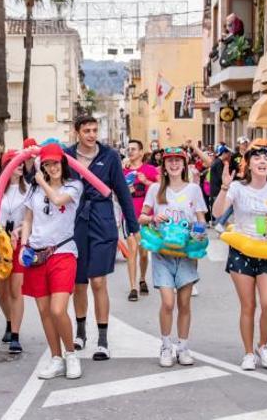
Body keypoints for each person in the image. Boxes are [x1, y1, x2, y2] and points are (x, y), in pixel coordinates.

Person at [64, 115, 140, 361]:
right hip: (74, 222)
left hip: (102, 220)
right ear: (77, 132)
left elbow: (121, 191)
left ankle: (103, 339)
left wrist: (132, 223)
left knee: (98, 281)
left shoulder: (109, 156)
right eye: (86, 130)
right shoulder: (66, 156)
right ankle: (80, 332)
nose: (91, 134)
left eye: (94, 130)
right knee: (79, 283)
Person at [211, 139, 267, 370]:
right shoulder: (237, 188)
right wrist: (224, 187)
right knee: (248, 306)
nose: (262, 161)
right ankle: (247, 353)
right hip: (242, 250)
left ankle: (262, 346)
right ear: (248, 163)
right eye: (256, 157)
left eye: (266, 158)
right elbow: (217, 213)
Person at [21, 143, 83, 380]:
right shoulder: (34, 192)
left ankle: (71, 354)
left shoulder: (74, 186)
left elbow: (58, 200)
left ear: (63, 163)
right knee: (44, 311)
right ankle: (56, 358)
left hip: (63, 251)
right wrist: (24, 245)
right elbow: (28, 219)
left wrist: (41, 180)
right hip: (36, 253)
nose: (52, 167)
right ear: (42, 165)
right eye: (47, 164)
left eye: (55, 162)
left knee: (58, 309)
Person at [140, 147, 206, 367]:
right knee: (168, 303)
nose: (174, 164)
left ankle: (183, 347)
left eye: (178, 160)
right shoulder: (156, 189)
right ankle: (166, 345)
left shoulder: (194, 190)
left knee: (184, 303)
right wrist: (152, 218)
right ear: (164, 166)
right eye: (170, 161)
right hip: (162, 254)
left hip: (186, 253)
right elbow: (141, 217)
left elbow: (201, 220)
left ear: (185, 165)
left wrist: (198, 232)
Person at [0, 150, 29, 354]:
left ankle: (15, 335)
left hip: (19, 243)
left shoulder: (29, 190)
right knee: (1, 290)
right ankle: (9, 319)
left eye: (22, 162)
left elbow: (32, 218)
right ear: (6, 166)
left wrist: (19, 231)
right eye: (15, 162)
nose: (20, 165)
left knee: (16, 289)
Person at [123, 139, 158, 301]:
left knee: (144, 253)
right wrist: (124, 190)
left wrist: (146, 182)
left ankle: (142, 278)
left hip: (146, 216)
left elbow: (163, 188)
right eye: (128, 149)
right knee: (132, 252)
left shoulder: (149, 169)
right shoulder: (122, 171)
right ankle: (133, 287)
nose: (130, 152)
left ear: (141, 152)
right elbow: (114, 192)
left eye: (134, 149)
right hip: (129, 216)